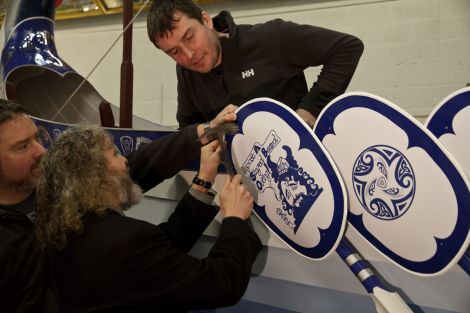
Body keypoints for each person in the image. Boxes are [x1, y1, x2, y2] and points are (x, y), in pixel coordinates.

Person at [0, 98, 236, 312]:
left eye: (37, 137)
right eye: (22, 146)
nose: (41, 151)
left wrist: (202, 134)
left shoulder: (59, 191)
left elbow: (138, 165)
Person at [35, 125, 262, 313]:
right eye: (114, 154)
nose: (125, 161)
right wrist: (234, 219)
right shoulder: (126, 241)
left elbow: (159, 256)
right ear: (96, 178)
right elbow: (221, 284)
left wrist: (203, 182)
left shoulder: (66, 229)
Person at [147, 0, 364, 128]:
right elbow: (189, 130)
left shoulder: (271, 37)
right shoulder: (186, 72)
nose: (189, 54)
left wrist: (309, 110)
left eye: (189, 37)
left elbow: (347, 48)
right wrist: (212, 130)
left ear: (205, 20)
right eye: (174, 52)